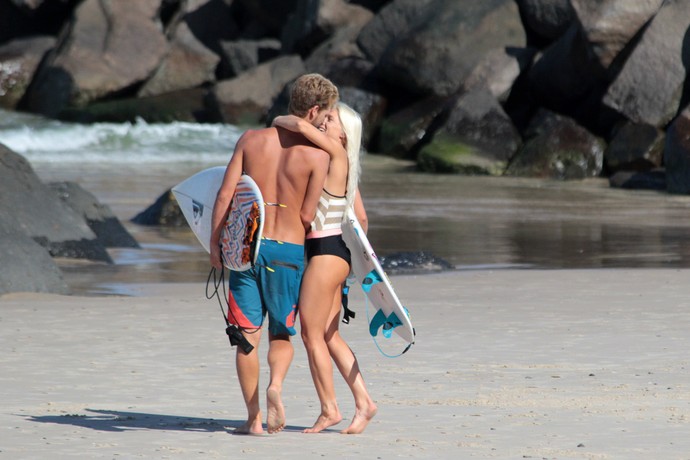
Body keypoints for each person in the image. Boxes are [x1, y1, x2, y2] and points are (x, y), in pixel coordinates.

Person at [209, 74, 337, 435]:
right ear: (313, 111)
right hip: (288, 250)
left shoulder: (250, 140)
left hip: (247, 248)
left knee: (246, 335)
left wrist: (216, 244)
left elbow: (224, 195)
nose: (326, 122)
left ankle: (253, 420)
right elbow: (308, 215)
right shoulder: (317, 156)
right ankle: (275, 387)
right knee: (281, 334)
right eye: (325, 115)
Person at [272, 102, 377, 434]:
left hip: (325, 251)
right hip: (337, 252)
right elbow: (361, 219)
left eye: (330, 120)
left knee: (310, 334)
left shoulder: (336, 154)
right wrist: (351, 267)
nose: (322, 122)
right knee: (329, 335)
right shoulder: (346, 166)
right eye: (324, 116)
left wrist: (277, 118)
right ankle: (364, 403)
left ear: (343, 135)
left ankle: (330, 409)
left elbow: (301, 128)